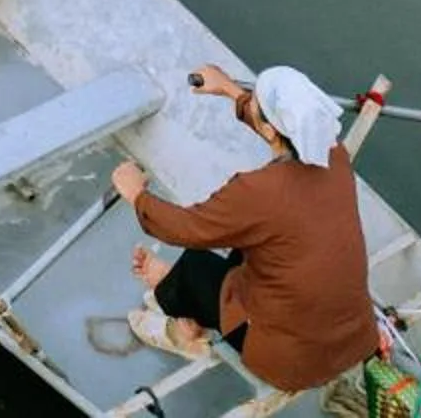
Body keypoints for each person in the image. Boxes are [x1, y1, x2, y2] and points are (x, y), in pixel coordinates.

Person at [112, 62, 378, 396]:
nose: (250, 102)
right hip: (354, 337)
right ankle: (193, 309)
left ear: (269, 129)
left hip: (290, 361)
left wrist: (137, 194)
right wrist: (228, 89)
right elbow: (282, 131)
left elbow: (187, 227)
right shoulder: (335, 156)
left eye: (254, 102)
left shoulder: (258, 192)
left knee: (195, 264)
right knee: (251, 245)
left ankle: (181, 317)